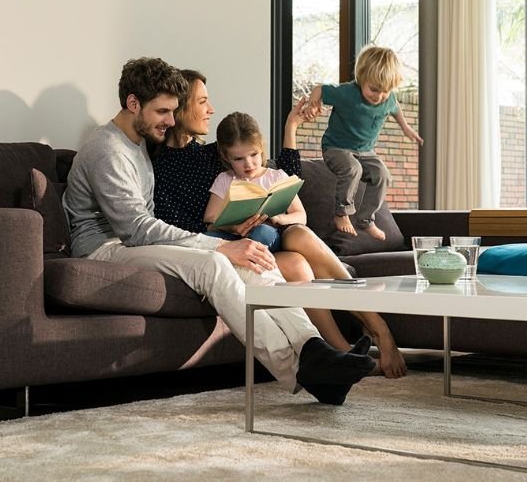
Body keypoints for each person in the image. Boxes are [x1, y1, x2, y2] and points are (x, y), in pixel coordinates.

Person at [62, 57, 376, 406]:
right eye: (163, 112)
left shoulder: (138, 142)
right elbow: (136, 229)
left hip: (135, 242)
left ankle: (314, 348)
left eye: (174, 110)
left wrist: (233, 244)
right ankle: (303, 370)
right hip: (106, 248)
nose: (170, 119)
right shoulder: (108, 149)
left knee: (256, 258)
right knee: (215, 264)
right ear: (133, 103)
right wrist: (218, 246)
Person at [153, 70, 408, 378]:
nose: (211, 109)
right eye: (203, 101)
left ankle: (370, 334)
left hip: (257, 241)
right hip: (217, 251)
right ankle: (346, 350)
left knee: (299, 240)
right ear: (179, 108)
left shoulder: (211, 153)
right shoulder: (159, 165)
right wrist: (228, 233)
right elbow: (171, 226)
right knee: (298, 264)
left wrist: (291, 127)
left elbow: (278, 175)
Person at [304, 44, 424, 240]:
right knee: (353, 169)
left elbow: (395, 108)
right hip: (336, 147)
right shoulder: (348, 93)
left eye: (385, 91)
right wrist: (312, 103)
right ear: (361, 78)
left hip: (366, 151)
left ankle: (366, 220)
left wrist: (406, 128)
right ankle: (341, 213)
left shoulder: (388, 99)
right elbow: (319, 89)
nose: (379, 96)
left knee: (383, 175)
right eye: (374, 89)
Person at [204, 111, 303, 252]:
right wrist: (233, 227)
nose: (248, 164)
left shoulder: (277, 177)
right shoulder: (225, 179)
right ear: (226, 157)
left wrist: (279, 218)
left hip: (266, 235)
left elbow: (301, 216)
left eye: (254, 154)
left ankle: (247, 261)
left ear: (261, 148)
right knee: (207, 237)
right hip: (233, 237)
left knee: (261, 231)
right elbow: (209, 219)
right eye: (238, 159)